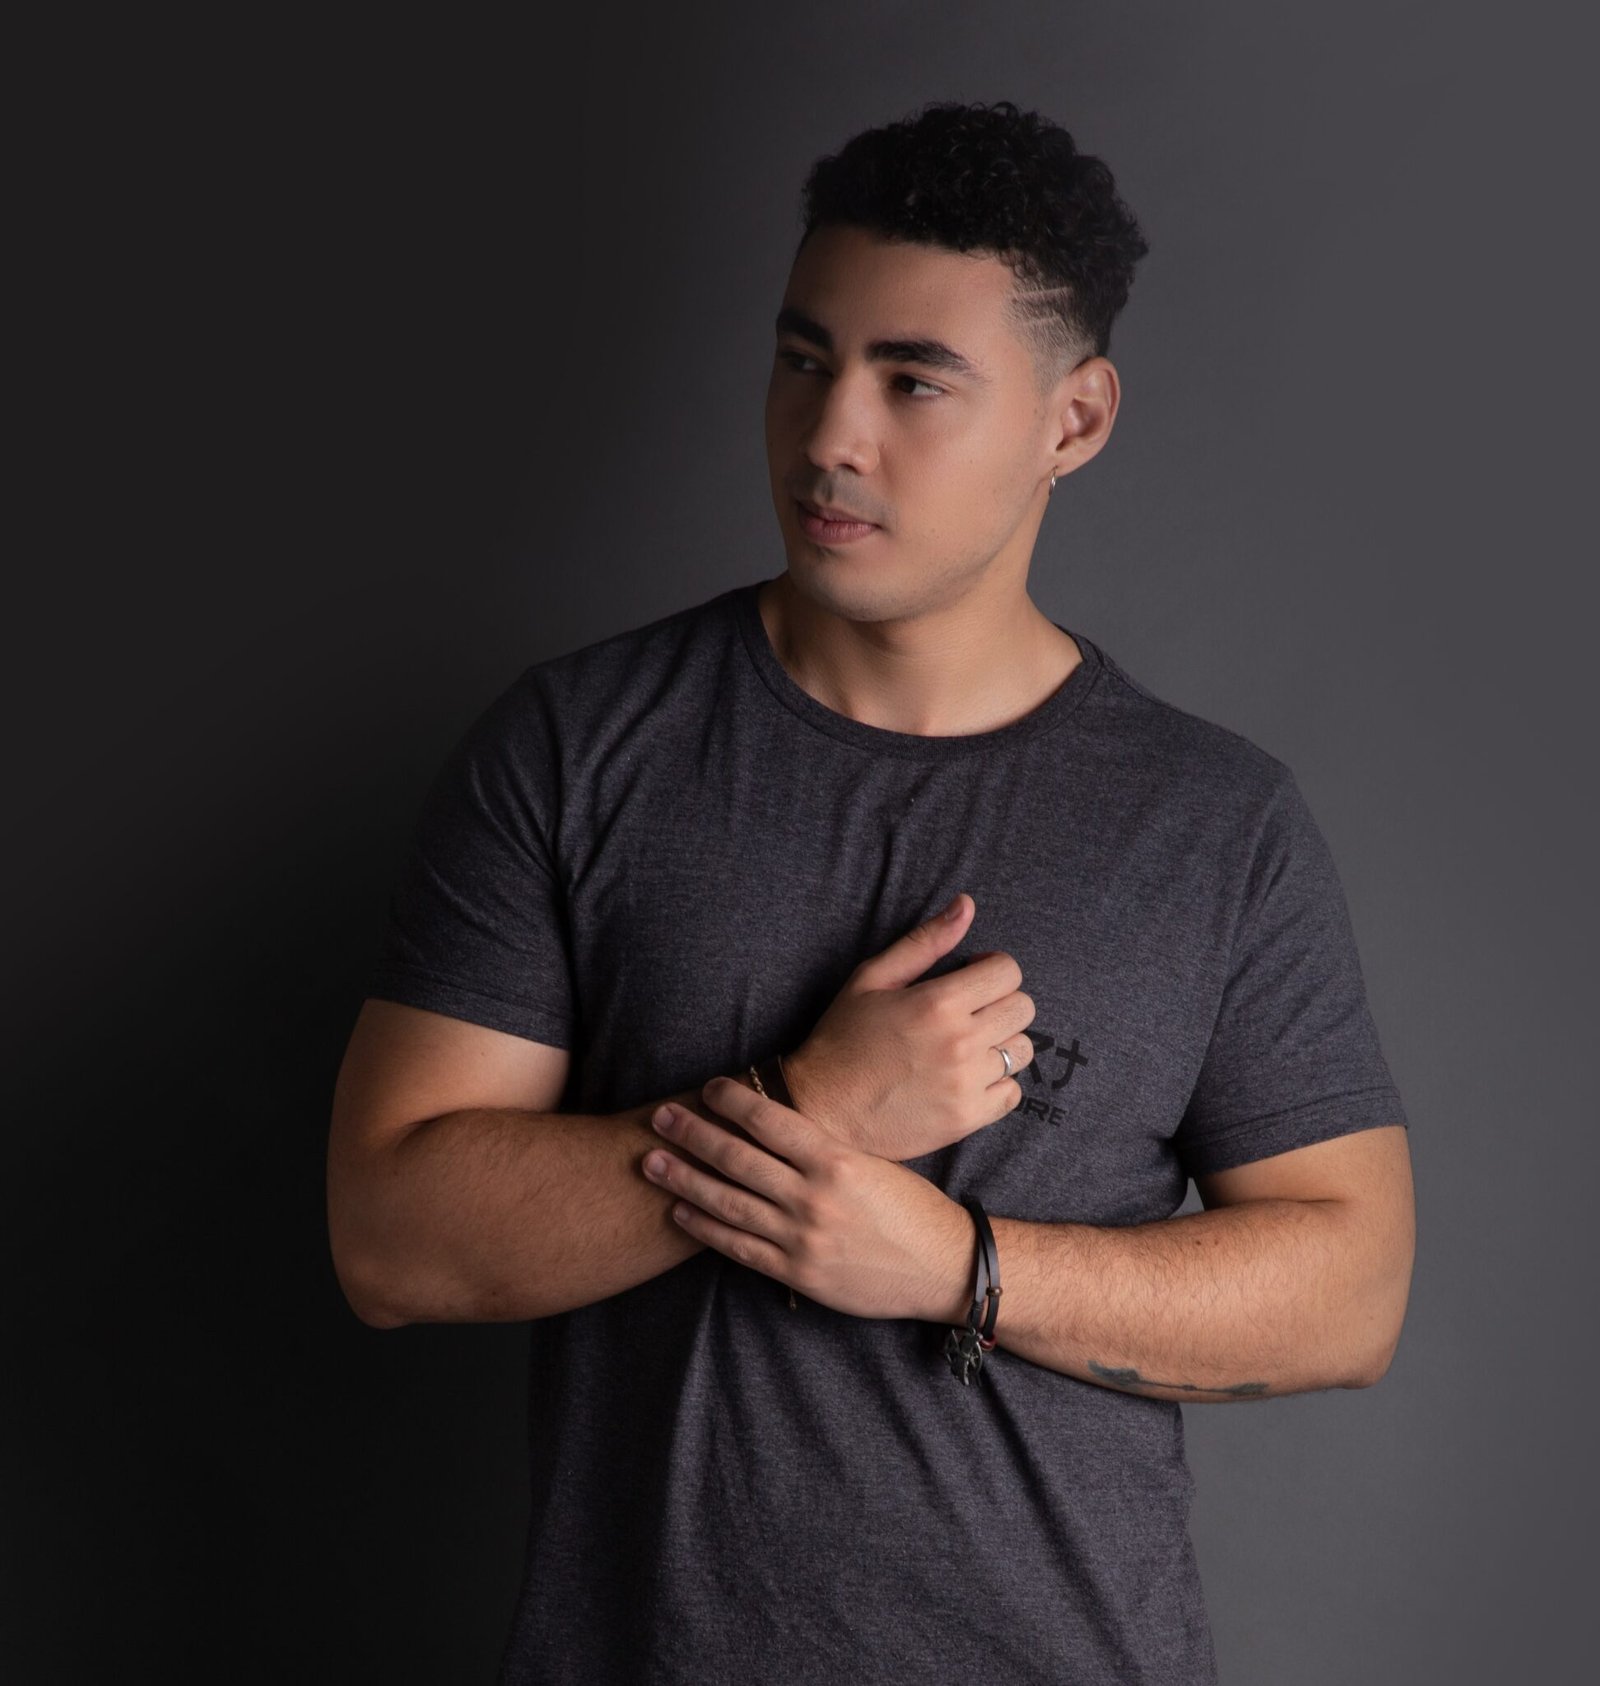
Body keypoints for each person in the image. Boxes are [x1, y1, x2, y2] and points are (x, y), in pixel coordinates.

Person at [327, 98, 1415, 1685]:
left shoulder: (1213, 821)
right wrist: (808, 1105)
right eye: (802, 357)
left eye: (913, 380)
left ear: (1075, 419)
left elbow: (1351, 1293)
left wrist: (959, 1267)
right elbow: (390, 1236)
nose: (830, 433)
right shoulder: (577, 745)